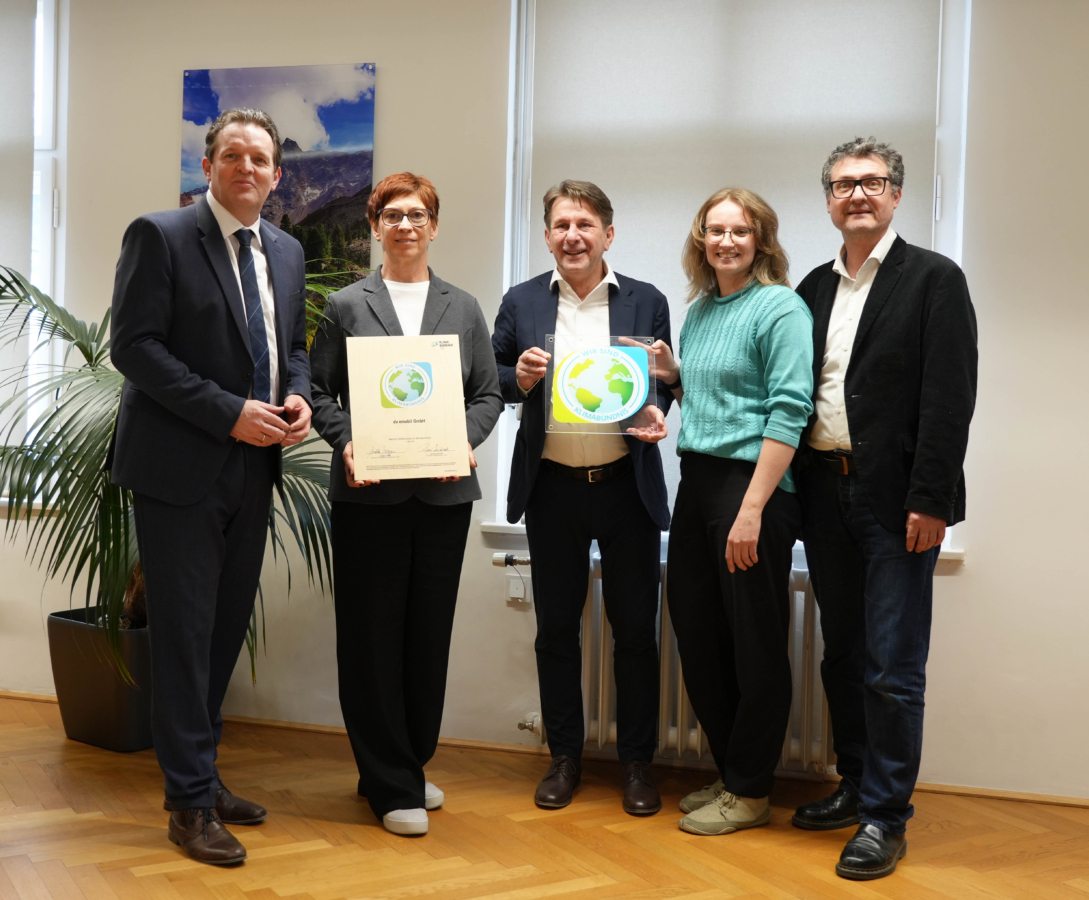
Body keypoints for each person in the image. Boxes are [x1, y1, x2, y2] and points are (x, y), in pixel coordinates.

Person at [109, 108, 311, 865]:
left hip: (256, 468)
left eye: (260, 158)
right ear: (208, 166)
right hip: (179, 470)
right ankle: (188, 805)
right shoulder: (160, 236)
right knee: (185, 638)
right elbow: (134, 347)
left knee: (223, 632)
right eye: (233, 155)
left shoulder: (285, 250)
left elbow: (291, 346)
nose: (246, 168)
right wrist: (229, 413)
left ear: (277, 174)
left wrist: (296, 395)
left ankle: (204, 774)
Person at [792, 137, 978, 880]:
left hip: (897, 504)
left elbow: (949, 399)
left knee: (892, 666)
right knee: (843, 654)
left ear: (896, 195)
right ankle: (855, 783)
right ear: (829, 201)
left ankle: (885, 817)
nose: (858, 194)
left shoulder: (934, 279)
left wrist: (931, 498)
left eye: (872, 182)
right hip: (822, 493)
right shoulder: (812, 287)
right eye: (844, 185)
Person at [310, 172, 502, 837]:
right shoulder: (346, 305)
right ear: (375, 226)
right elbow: (320, 393)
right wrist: (348, 442)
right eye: (392, 214)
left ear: (434, 226)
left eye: (418, 215)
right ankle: (390, 783)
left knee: (426, 635)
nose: (405, 225)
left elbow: (488, 395)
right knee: (370, 637)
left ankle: (406, 765)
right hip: (369, 496)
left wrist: (465, 441)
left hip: (443, 496)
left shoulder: (463, 307)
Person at [491, 181, 674, 815]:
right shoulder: (520, 301)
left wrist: (657, 408)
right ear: (547, 236)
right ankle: (564, 758)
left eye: (586, 224)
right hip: (553, 490)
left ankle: (637, 764)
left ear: (608, 234)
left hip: (626, 488)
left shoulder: (647, 300)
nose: (574, 236)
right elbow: (490, 378)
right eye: (562, 225)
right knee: (555, 633)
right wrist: (516, 378)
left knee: (636, 634)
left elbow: (660, 382)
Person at [656, 189, 814, 836]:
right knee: (698, 634)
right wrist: (674, 376)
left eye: (740, 231)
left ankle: (751, 791)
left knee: (754, 643)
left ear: (761, 240)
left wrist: (752, 510)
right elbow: (712, 399)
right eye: (715, 230)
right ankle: (732, 771)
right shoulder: (700, 312)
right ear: (701, 240)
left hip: (753, 490)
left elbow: (789, 409)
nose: (726, 241)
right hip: (697, 483)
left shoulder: (780, 308)